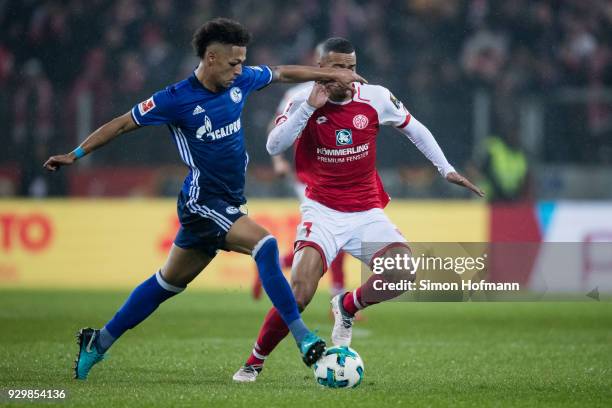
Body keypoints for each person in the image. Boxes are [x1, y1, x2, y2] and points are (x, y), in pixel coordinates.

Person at [43, 19, 365, 381]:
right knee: (265, 243)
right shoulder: (175, 98)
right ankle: (304, 337)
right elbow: (121, 123)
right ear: (211, 58)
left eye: (242, 62)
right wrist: (76, 153)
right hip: (202, 202)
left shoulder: (240, 81)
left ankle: (97, 342)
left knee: (167, 283)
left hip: (227, 202)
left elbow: (282, 73)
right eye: (233, 63)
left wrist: (329, 76)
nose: (240, 70)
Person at [233, 37, 483, 382]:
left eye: (351, 67)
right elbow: (274, 144)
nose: (347, 74)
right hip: (321, 211)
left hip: (367, 212)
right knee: (300, 293)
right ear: (320, 68)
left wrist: (446, 169)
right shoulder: (299, 98)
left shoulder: (376, 97)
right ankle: (254, 361)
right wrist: (309, 107)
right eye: (337, 67)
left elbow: (415, 128)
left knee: (403, 271)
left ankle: (347, 305)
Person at [251, 43, 348, 303]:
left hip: (337, 175)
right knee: (333, 233)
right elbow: (276, 127)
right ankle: (338, 295)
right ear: (318, 63)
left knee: (332, 237)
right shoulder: (297, 92)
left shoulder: (348, 91)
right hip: (307, 175)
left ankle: (272, 265)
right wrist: (278, 162)